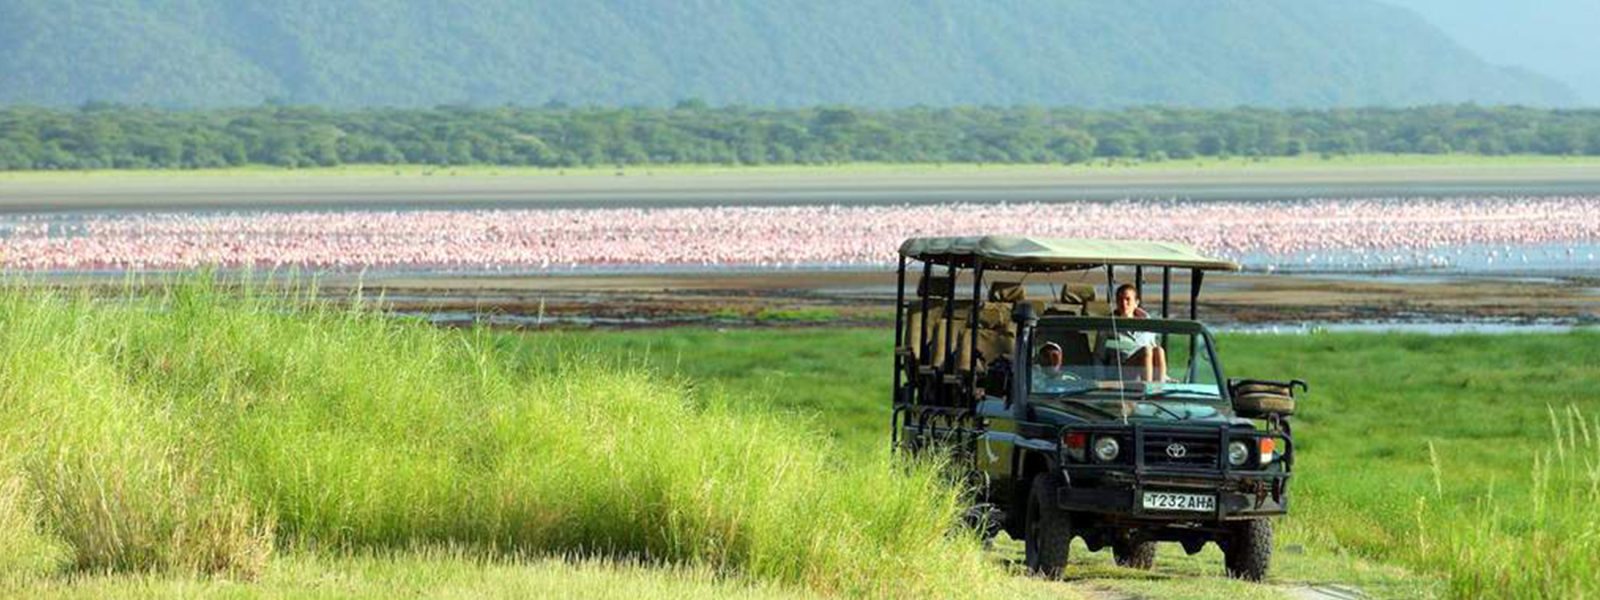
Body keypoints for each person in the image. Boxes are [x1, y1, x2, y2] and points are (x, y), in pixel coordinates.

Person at [1110, 283, 1167, 381]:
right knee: (1146, 351)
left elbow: (1153, 350)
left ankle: (1160, 385)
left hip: (1144, 370)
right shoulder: (1109, 325)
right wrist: (1100, 380)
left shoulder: (1147, 324)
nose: (1124, 303)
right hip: (1120, 371)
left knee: (1159, 350)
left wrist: (1166, 377)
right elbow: (1099, 355)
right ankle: (1147, 387)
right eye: (1120, 300)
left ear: (1136, 302)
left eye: (1128, 299)